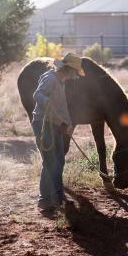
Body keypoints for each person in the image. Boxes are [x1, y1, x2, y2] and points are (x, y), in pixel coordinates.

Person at [31, 52, 85, 212]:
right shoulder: (50, 78)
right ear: (68, 69)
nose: (74, 76)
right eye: (74, 72)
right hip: (43, 123)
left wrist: (67, 124)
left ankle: (57, 196)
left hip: (56, 124)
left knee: (59, 160)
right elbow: (37, 94)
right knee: (50, 161)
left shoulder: (61, 81)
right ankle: (46, 199)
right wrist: (46, 102)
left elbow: (61, 108)